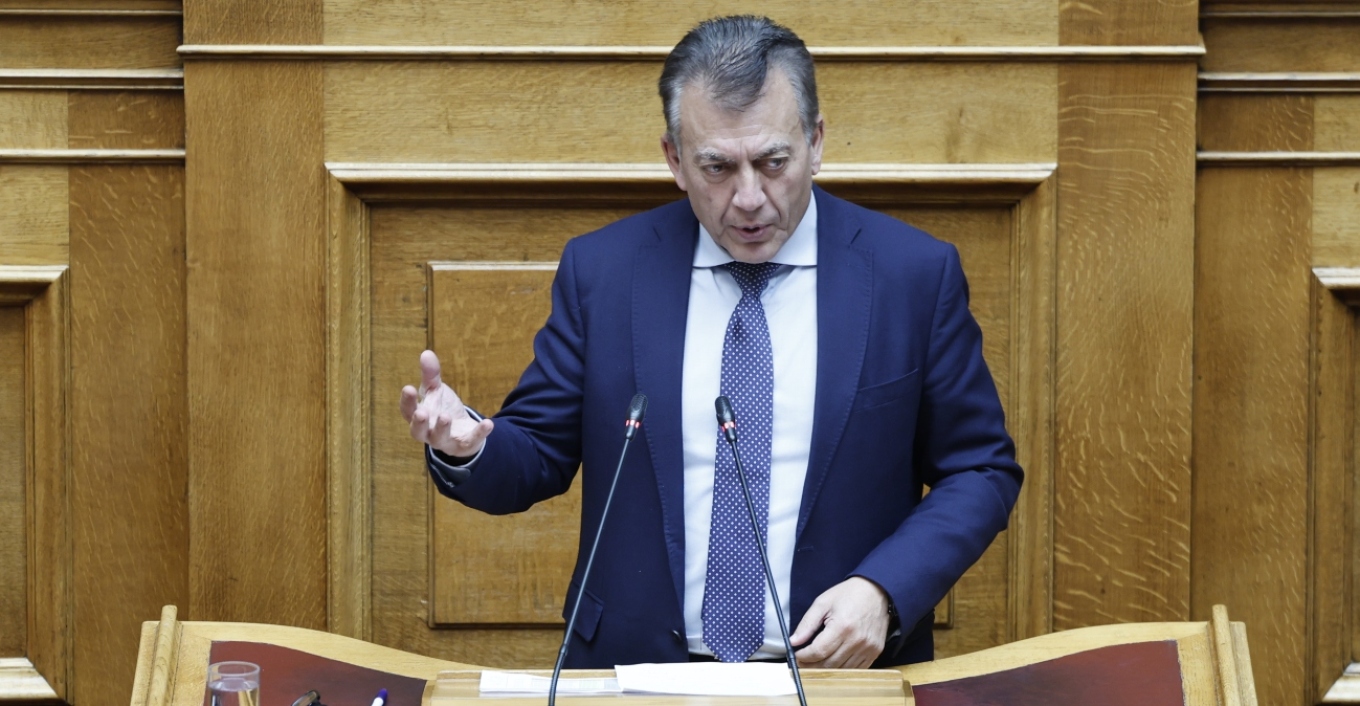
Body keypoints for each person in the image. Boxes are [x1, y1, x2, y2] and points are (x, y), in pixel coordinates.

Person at [399, 15, 1022, 670]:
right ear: (674, 159)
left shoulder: (910, 276)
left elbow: (979, 470)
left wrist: (884, 592)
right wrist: (468, 446)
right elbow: (538, 453)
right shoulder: (606, 273)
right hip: (636, 674)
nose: (748, 198)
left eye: (773, 163)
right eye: (717, 167)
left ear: (815, 142)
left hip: (836, 677)